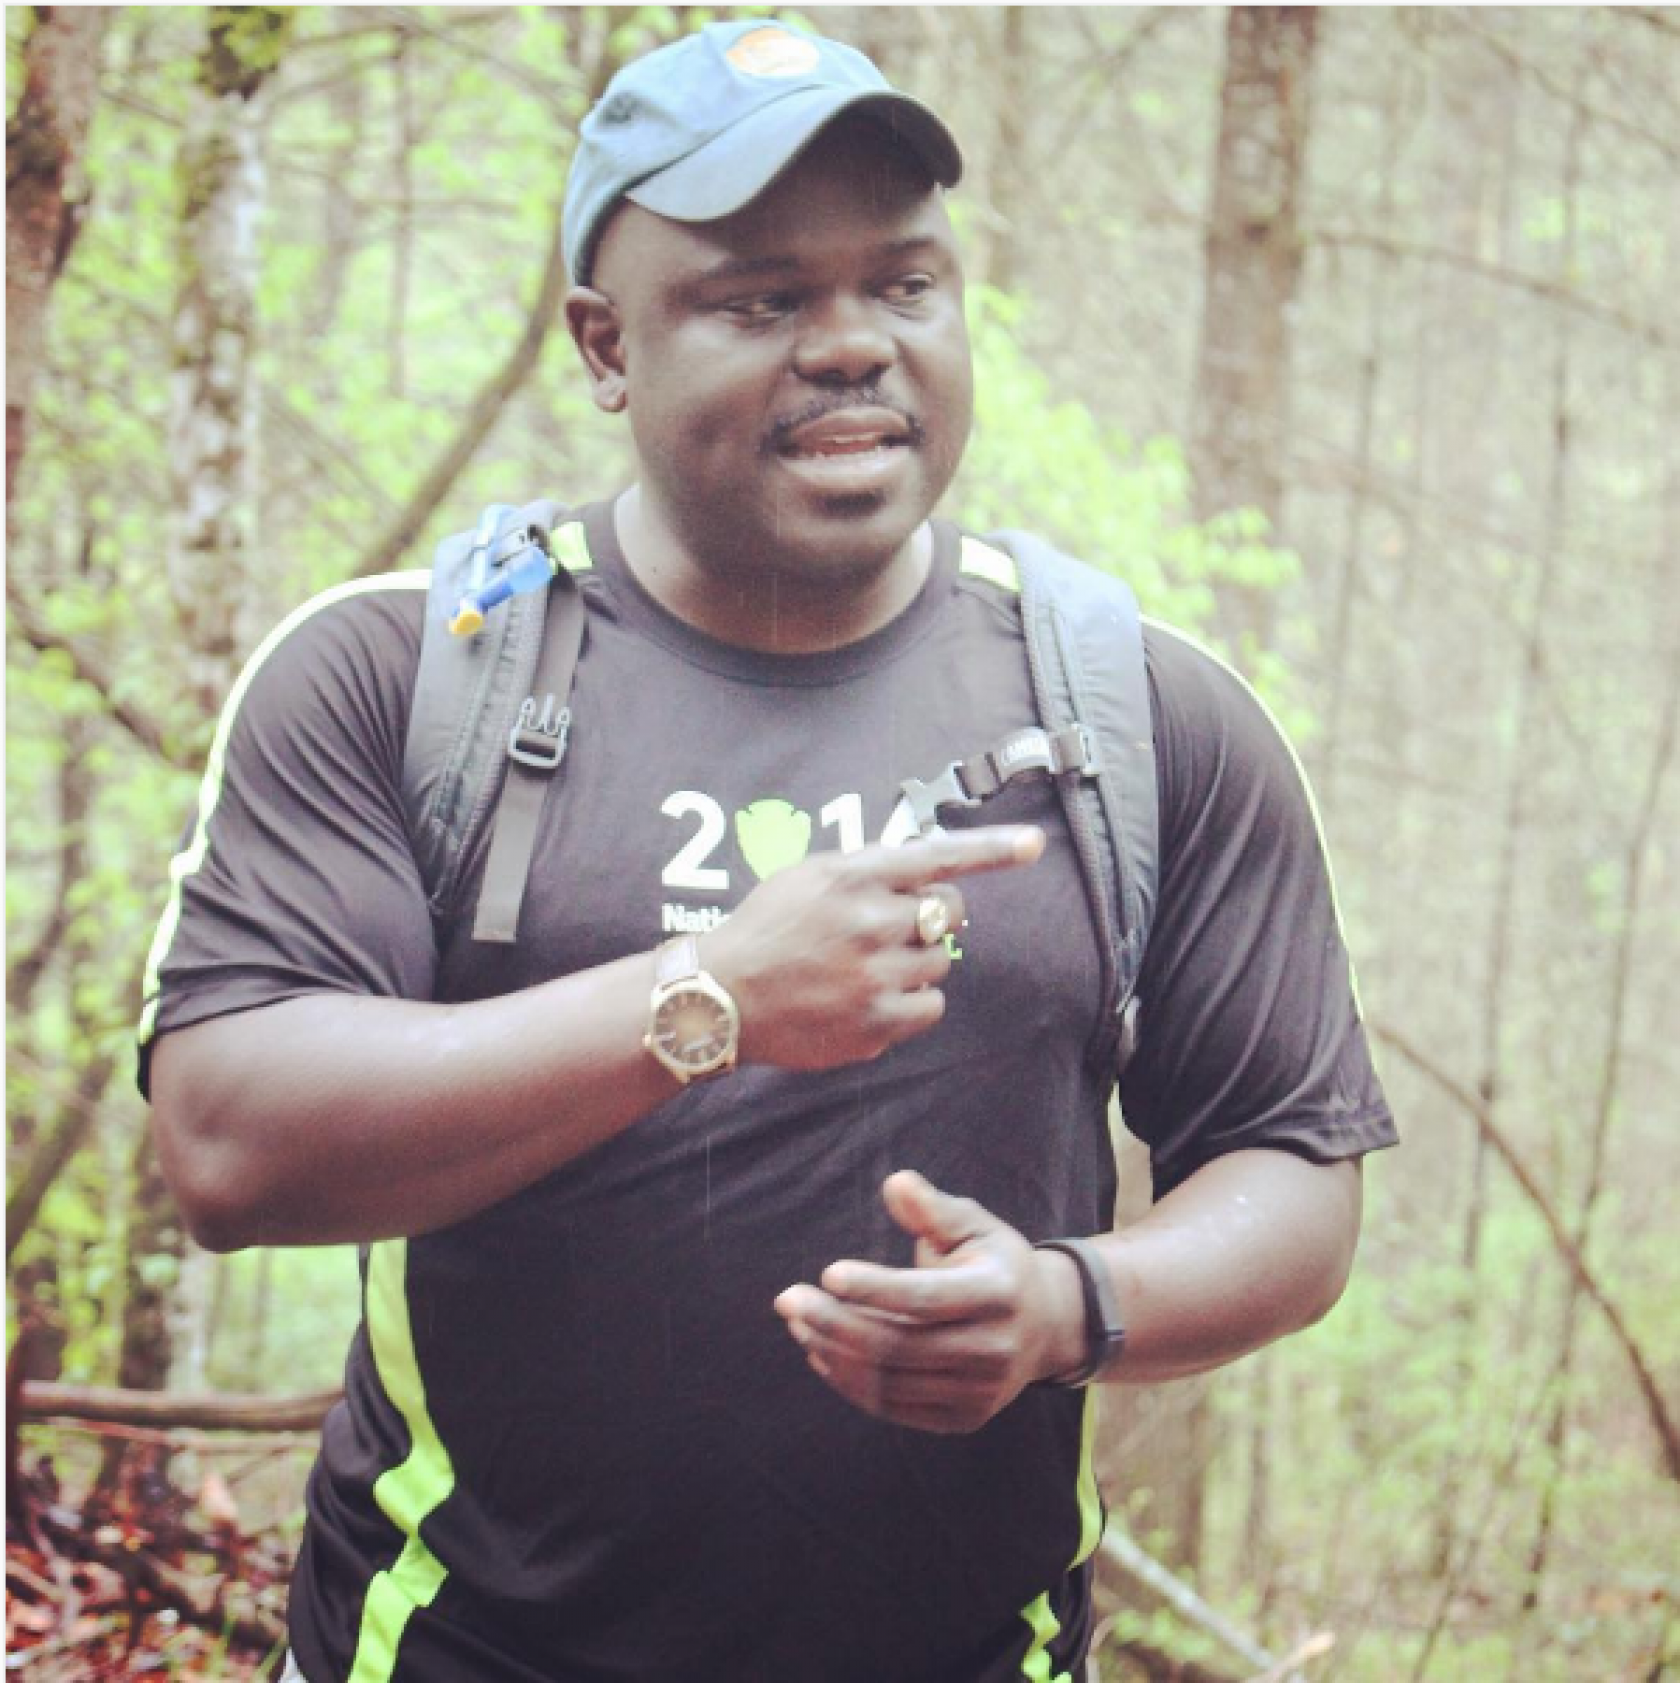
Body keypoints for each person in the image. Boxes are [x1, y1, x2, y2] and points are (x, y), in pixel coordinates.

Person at [140, 20, 1397, 1683]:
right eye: (762, 299)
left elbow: (1295, 1172)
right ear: (606, 345)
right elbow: (231, 1146)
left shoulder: (1140, 712)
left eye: (905, 285)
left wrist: (1069, 1307)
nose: (854, 346)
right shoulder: (405, 673)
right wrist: (707, 993)